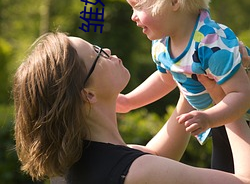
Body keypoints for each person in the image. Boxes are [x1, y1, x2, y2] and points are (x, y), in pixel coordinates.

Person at [13, 32, 250, 184]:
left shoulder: (72, 168)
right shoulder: (138, 172)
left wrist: (190, 71)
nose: (106, 50)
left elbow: (157, 155)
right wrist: (226, 99)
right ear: (88, 94)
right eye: (97, 54)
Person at [119, 0, 250, 173]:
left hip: (239, 119)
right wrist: (130, 101)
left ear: (173, 1)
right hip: (220, 123)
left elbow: (242, 94)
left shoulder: (211, 43)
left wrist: (209, 118)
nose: (133, 16)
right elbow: (166, 79)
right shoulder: (162, 44)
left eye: (138, 6)